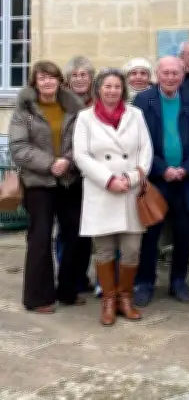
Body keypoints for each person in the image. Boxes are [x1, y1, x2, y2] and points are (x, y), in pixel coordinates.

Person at [72, 68, 153, 326]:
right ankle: (108, 300)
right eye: (107, 86)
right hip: (101, 191)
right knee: (104, 249)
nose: (112, 91)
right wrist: (108, 180)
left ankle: (125, 298)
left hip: (130, 190)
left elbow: (146, 150)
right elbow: (81, 155)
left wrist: (131, 178)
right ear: (98, 89)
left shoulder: (135, 115)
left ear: (123, 90)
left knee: (132, 249)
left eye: (117, 87)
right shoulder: (85, 118)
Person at [9, 61, 85, 313]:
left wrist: (68, 161)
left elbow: (84, 142)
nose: (47, 82)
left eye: (52, 78)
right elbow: (19, 148)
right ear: (35, 82)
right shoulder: (24, 110)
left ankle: (68, 290)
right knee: (40, 238)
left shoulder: (74, 108)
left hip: (69, 180)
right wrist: (50, 163)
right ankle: (38, 298)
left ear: (59, 81)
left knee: (74, 236)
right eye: (42, 78)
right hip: (38, 183)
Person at [133, 56, 189, 306]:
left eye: (175, 73)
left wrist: (185, 169)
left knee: (185, 234)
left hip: (187, 180)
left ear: (183, 74)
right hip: (156, 179)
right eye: (165, 73)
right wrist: (164, 169)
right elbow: (138, 143)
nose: (170, 77)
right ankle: (145, 283)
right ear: (157, 74)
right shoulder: (143, 101)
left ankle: (178, 281)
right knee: (150, 234)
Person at [58, 55, 95, 294]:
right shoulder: (61, 104)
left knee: (87, 231)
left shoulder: (98, 103)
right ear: (68, 80)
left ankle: (81, 277)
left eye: (84, 75)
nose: (80, 79)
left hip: (92, 175)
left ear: (91, 79)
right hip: (68, 174)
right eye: (75, 75)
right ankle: (65, 279)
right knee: (67, 230)